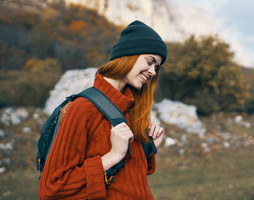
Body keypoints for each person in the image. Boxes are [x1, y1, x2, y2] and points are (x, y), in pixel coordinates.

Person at [38, 20, 167, 199]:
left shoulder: (131, 108)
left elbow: (127, 180)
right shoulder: (84, 108)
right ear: (128, 54)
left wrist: (149, 147)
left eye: (157, 67)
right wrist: (113, 155)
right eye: (150, 61)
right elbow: (51, 189)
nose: (153, 71)